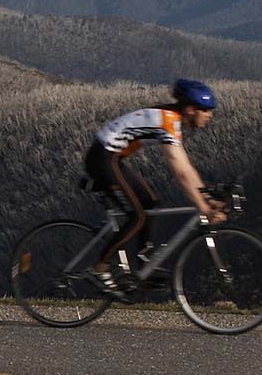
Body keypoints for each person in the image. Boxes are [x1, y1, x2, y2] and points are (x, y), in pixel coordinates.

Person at [83, 78, 227, 297]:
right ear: (190, 109)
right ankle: (99, 268)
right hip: (103, 159)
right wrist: (203, 206)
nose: (210, 115)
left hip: (112, 157)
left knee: (151, 203)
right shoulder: (168, 121)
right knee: (137, 216)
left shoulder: (171, 119)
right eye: (206, 110)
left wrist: (205, 198)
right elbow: (180, 172)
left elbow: (186, 167)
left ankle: (144, 265)